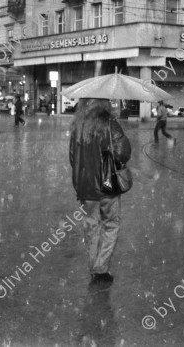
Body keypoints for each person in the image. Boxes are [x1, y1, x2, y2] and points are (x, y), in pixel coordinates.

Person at [69, 98, 131, 284]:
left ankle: (94, 267)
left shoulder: (78, 126)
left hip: (86, 186)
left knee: (91, 225)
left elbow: (73, 157)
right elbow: (123, 152)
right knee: (111, 225)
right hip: (107, 184)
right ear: (105, 104)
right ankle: (101, 268)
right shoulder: (111, 124)